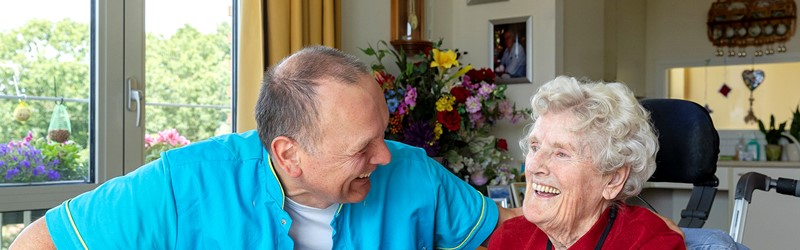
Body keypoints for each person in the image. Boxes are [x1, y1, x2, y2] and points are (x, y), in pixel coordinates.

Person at [11, 46, 519, 249]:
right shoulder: (183, 182)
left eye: (383, 134)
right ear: (288, 152)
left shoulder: (413, 173)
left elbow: (511, 243)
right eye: (362, 147)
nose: (384, 156)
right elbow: (35, 244)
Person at [488, 76, 686, 249]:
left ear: (613, 180)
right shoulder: (510, 238)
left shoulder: (651, 244)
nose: (533, 166)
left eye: (561, 154)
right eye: (535, 147)